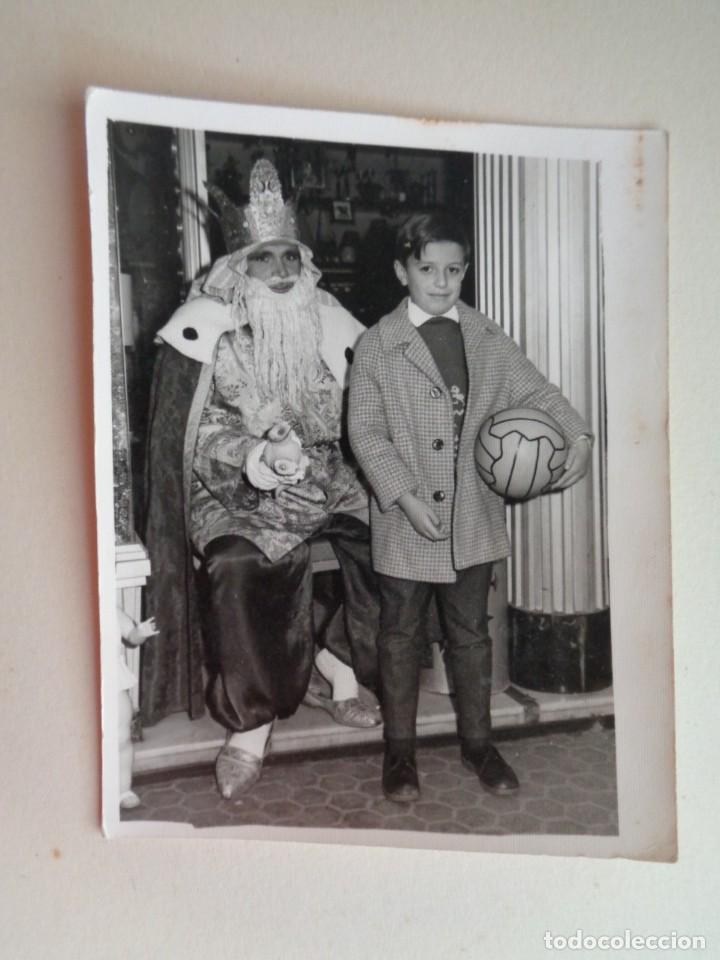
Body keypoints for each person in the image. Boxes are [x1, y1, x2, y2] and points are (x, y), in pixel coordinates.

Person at [143, 159, 380, 802]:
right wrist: (255, 453)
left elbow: (370, 409)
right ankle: (253, 724)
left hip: (328, 476)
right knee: (238, 564)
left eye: (288, 259)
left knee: (392, 541)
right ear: (238, 268)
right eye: (263, 259)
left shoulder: (333, 318)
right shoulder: (208, 331)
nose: (280, 272)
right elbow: (194, 436)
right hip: (233, 485)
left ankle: (343, 671)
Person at [348, 212, 592, 803]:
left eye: (453, 270)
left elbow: (536, 391)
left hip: (472, 518)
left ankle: (479, 744)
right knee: (400, 636)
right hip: (406, 521)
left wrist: (578, 436)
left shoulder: (486, 336)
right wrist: (402, 495)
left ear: (466, 272)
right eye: (427, 269)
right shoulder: (378, 343)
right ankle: (400, 755)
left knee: (471, 636)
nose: (440, 282)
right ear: (401, 270)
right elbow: (367, 431)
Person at [117, 610, 158, 809]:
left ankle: (123, 789)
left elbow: (132, 636)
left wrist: (141, 632)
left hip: (111, 682)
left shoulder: (110, 609)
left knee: (121, 739)